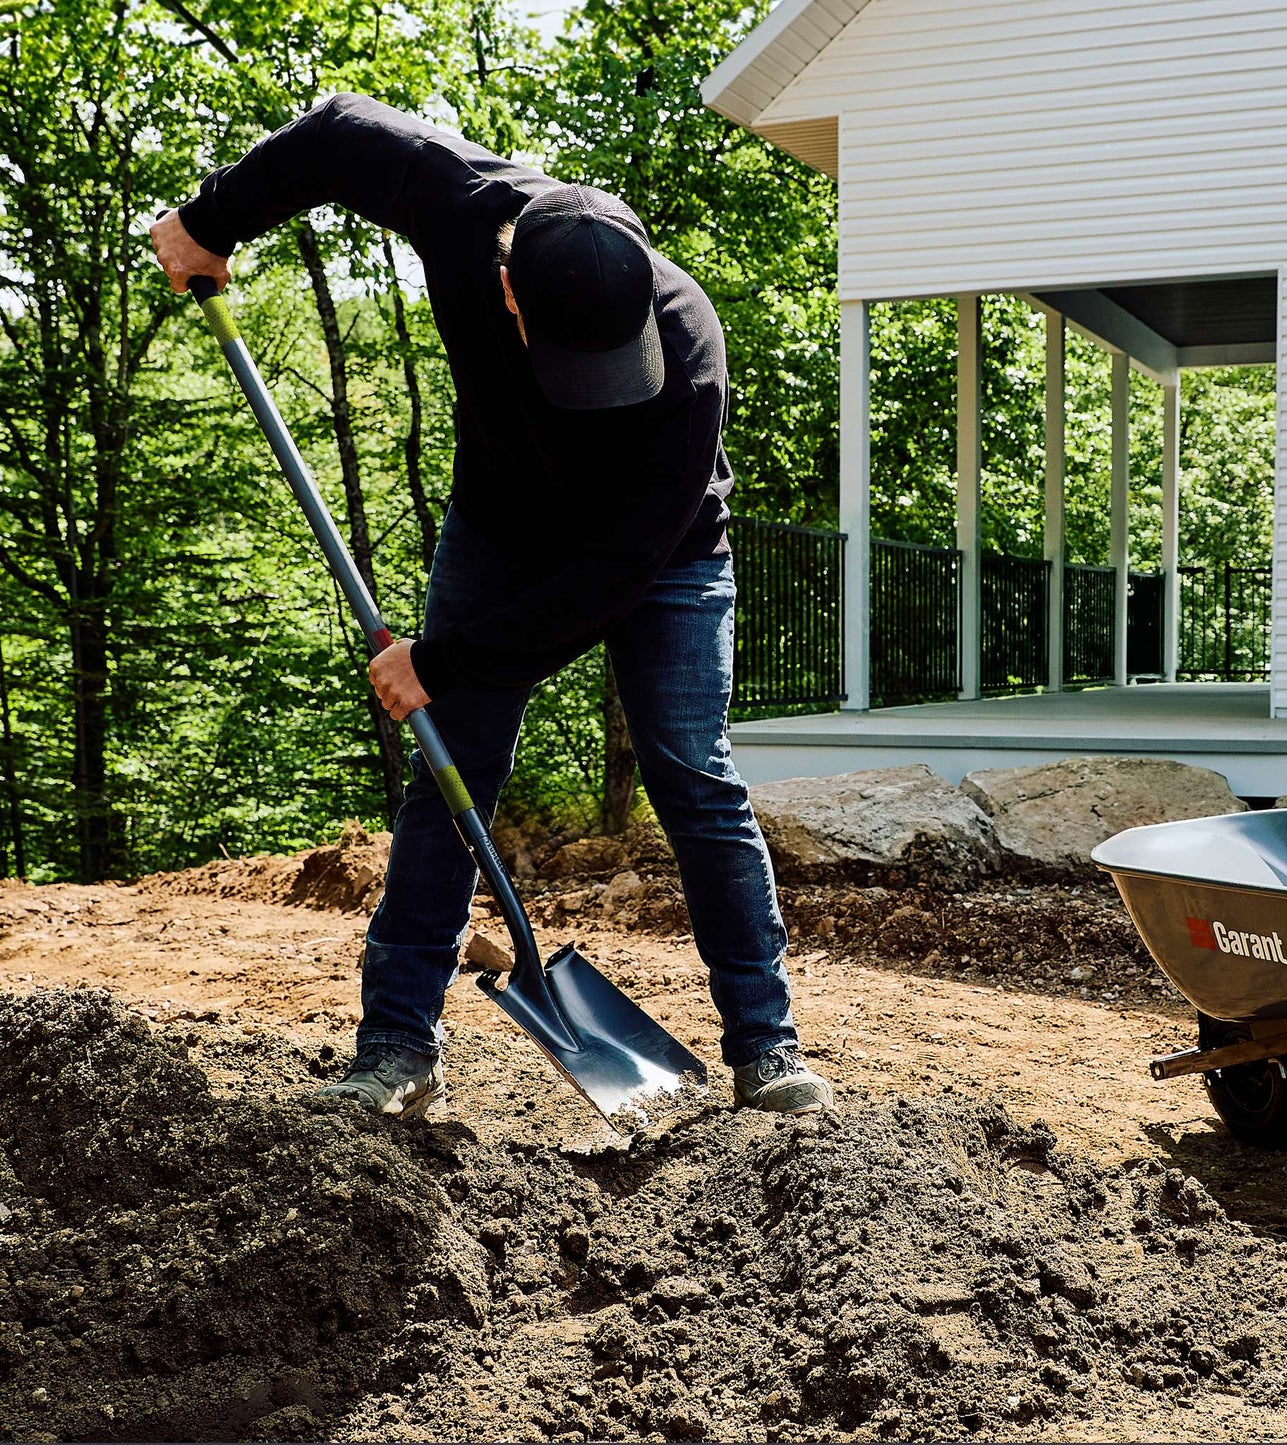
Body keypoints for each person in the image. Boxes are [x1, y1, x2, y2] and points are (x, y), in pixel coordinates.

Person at [150, 92, 833, 1120]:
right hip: (503, 526)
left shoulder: (691, 357)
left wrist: (445, 657)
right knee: (450, 767)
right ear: (503, 283)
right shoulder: (463, 205)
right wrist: (210, 222)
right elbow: (335, 132)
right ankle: (397, 1048)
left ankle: (765, 1046)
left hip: (661, 558)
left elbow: (608, 579)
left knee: (691, 773)